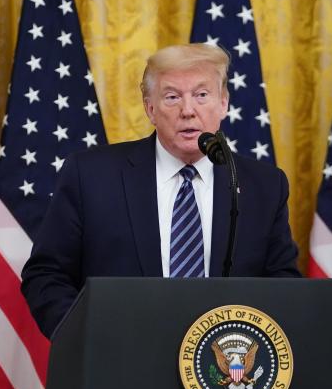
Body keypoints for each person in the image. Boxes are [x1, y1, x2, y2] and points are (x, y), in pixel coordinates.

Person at [21, 43, 301, 338]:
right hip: (118, 362)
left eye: (201, 95)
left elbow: (283, 283)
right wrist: (86, 339)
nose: (188, 111)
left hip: (224, 368)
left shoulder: (265, 185)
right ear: (150, 108)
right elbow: (46, 275)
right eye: (172, 97)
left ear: (224, 103)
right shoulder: (90, 175)